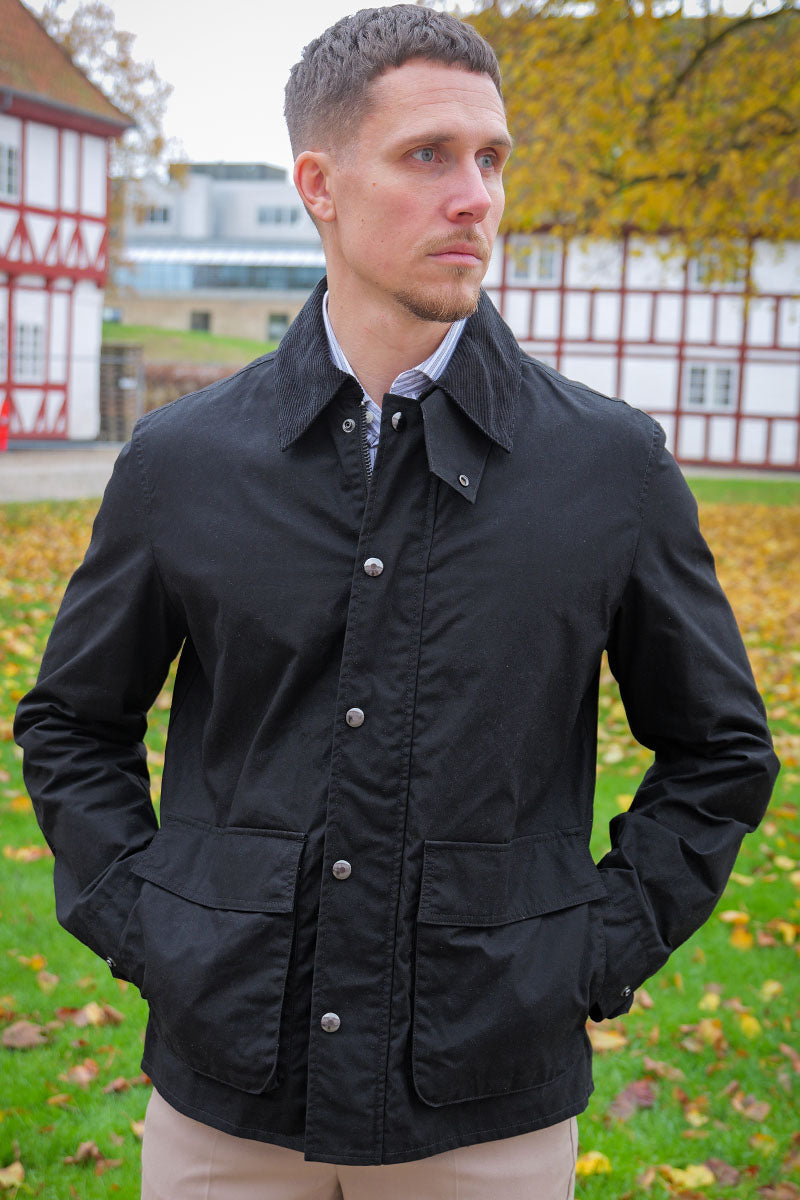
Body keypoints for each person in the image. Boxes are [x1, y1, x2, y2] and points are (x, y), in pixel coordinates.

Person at [15, 5, 779, 1199]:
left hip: (487, 1107)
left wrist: (591, 952)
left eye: (491, 159)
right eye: (428, 155)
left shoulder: (608, 467)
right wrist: (152, 929)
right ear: (318, 186)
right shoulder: (183, 462)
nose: (475, 197)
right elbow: (70, 725)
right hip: (225, 1102)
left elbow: (719, 751)